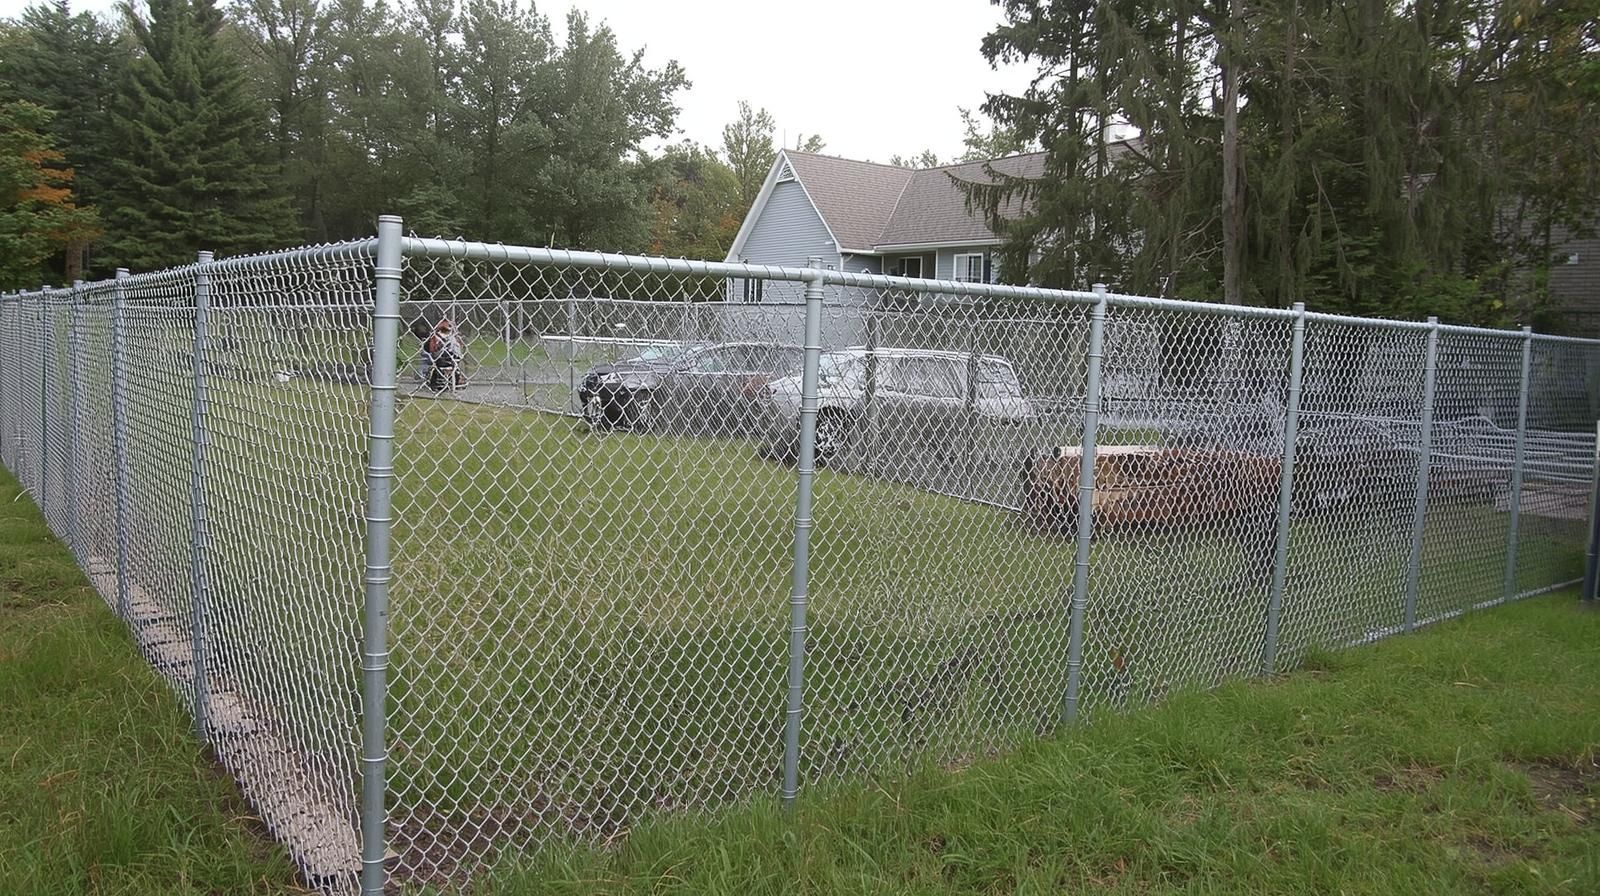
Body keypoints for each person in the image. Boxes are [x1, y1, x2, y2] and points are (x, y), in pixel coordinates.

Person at [424, 319, 466, 390]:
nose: (443, 333)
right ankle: (436, 380)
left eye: (446, 330)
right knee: (437, 366)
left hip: (452, 356)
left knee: (455, 365)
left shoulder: (453, 338)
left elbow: (460, 347)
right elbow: (430, 349)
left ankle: (457, 378)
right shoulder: (435, 337)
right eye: (443, 330)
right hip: (439, 357)